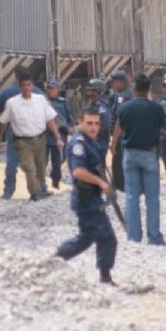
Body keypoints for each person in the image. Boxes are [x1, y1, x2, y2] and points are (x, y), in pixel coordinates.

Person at [56, 108, 118, 285]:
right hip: (86, 198)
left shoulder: (91, 141)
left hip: (92, 198)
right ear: (79, 123)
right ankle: (104, 278)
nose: (93, 127)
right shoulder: (78, 143)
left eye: (97, 124)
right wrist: (100, 182)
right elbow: (78, 171)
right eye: (89, 123)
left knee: (87, 238)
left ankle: (56, 258)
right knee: (106, 237)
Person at [111, 73, 166, 245]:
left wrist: (113, 145)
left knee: (131, 196)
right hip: (149, 154)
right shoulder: (157, 109)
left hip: (130, 154)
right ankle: (154, 237)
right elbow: (161, 128)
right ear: (149, 89)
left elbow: (118, 127)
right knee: (152, 198)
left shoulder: (124, 108)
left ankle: (133, 237)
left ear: (134, 89)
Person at [0, 71, 63, 201]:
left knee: (40, 166)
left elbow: (50, 120)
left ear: (32, 86)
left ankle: (41, 188)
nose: (26, 88)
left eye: (29, 85)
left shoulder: (40, 100)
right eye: (24, 85)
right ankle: (34, 193)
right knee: (29, 167)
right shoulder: (12, 103)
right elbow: (3, 123)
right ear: (19, 87)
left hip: (40, 139)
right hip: (22, 141)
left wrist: (58, 137)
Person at [0, 67, 44, 200]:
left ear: (15, 77)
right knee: (37, 164)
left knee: (11, 163)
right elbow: (47, 111)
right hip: (35, 134)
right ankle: (40, 190)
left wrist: (0, 134)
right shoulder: (37, 92)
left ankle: (8, 192)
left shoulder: (6, 92)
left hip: (14, 132)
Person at [45, 78, 72, 190]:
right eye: (48, 88)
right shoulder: (44, 102)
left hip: (60, 136)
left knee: (59, 161)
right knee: (42, 162)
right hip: (46, 136)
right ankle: (42, 184)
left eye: (53, 88)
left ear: (58, 89)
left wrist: (71, 127)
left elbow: (68, 118)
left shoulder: (63, 102)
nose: (50, 90)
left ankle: (56, 182)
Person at [107, 70, 132, 192]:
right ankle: (118, 185)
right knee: (117, 162)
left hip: (124, 135)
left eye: (113, 82)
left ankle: (122, 187)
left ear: (120, 82)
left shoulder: (125, 96)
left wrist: (114, 142)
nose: (111, 85)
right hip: (124, 135)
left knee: (121, 161)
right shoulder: (122, 93)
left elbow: (120, 121)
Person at [83, 78, 113, 161]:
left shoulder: (101, 107)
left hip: (99, 143)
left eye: (92, 92)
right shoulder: (92, 105)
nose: (89, 94)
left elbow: (105, 125)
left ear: (98, 92)